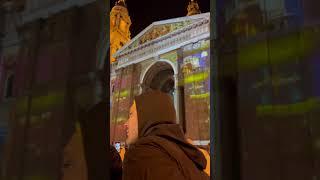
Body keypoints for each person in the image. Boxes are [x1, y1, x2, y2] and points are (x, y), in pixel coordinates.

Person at [122, 90, 209, 180]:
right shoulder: (186, 154)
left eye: (131, 114)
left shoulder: (139, 154)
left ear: (145, 115)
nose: (125, 124)